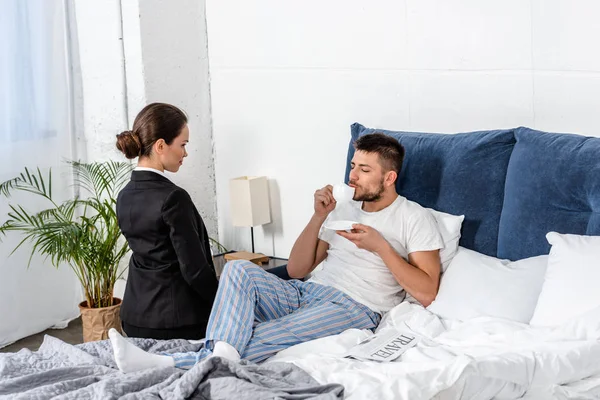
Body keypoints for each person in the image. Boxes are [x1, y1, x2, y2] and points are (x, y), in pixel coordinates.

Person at [108, 132, 443, 372]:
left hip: (357, 307)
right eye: (352, 167)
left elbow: (427, 293)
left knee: (257, 337)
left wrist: (380, 247)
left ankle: (165, 363)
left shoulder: (413, 217)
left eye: (364, 171)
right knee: (238, 270)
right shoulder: (343, 209)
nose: (352, 177)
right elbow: (297, 269)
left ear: (390, 178)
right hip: (305, 291)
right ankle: (207, 355)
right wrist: (319, 216)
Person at [114, 102, 219, 340]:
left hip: (133, 319)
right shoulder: (173, 197)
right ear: (161, 145)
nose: (185, 153)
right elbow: (193, 269)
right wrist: (223, 301)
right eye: (182, 145)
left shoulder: (124, 196)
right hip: (177, 322)